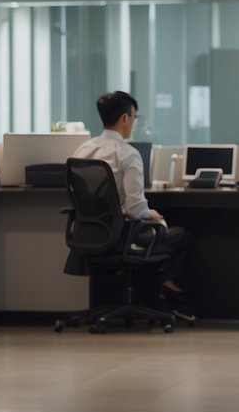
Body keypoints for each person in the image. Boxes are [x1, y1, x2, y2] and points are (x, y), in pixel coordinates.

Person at [72, 91, 195, 320]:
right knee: (181, 237)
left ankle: (150, 296)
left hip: (89, 233)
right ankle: (164, 289)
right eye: (135, 117)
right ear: (125, 118)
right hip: (121, 236)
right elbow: (134, 209)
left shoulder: (83, 150)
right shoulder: (128, 154)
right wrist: (153, 215)